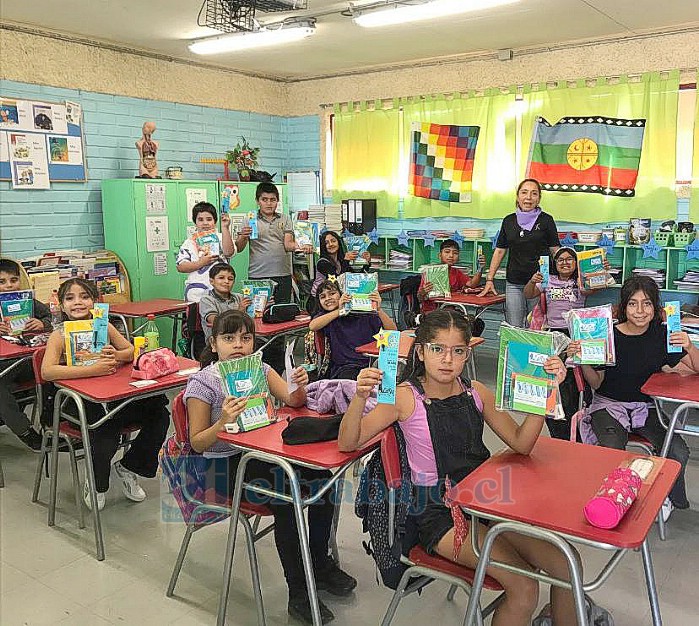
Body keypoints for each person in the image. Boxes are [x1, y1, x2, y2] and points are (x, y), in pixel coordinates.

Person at [338, 310, 577, 626]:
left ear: (468, 353)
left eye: (458, 351)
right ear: (421, 352)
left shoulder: (476, 391)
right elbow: (348, 443)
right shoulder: (404, 398)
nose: (447, 360)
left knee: (567, 563)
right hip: (435, 512)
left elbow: (521, 443)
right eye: (437, 349)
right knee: (524, 587)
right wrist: (359, 397)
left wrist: (546, 389)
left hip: (484, 502)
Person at [185, 310, 356, 624]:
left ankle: (319, 562)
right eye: (229, 338)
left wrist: (301, 385)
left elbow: (291, 401)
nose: (238, 344)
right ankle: (299, 592)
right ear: (214, 343)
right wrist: (223, 422)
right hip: (223, 465)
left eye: (245, 337)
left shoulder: (259, 369)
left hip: (263, 455)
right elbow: (197, 443)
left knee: (323, 480)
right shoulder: (203, 382)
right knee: (286, 498)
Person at [574, 276, 698, 521]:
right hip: (607, 405)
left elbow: (695, 369)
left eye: (647, 304)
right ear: (623, 307)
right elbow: (596, 383)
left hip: (645, 406)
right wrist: (584, 360)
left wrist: (690, 346)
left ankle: (667, 499)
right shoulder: (607, 335)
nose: (640, 311)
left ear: (656, 308)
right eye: (633, 304)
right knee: (612, 451)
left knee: (678, 451)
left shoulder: (661, 335)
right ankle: (612, 500)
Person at [41, 278, 169, 511]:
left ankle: (129, 467)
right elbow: (47, 371)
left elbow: (130, 351)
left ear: (95, 301)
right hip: (76, 401)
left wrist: (116, 356)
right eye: (70, 298)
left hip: (111, 394)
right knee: (105, 427)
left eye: (84, 297)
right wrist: (93, 369)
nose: (78, 303)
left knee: (159, 412)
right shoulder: (59, 335)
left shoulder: (103, 325)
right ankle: (97, 483)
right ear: (61, 305)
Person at [522, 246, 602, 439]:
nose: (565, 263)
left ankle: (582, 415)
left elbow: (599, 284)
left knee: (579, 380)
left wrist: (600, 269)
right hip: (553, 335)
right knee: (556, 379)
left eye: (569, 259)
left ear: (576, 264)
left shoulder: (580, 281)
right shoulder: (548, 280)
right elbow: (528, 294)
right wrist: (533, 281)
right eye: (560, 260)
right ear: (554, 264)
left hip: (577, 333)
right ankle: (558, 421)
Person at [234, 182, 312, 371]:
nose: (269, 203)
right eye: (265, 200)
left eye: (273, 200)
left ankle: (277, 366)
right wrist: (243, 236)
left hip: (283, 276)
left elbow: (288, 244)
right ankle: (257, 362)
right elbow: (239, 247)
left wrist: (304, 245)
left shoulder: (284, 219)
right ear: (258, 201)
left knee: (280, 319)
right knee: (257, 320)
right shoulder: (250, 219)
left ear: (277, 201)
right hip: (258, 278)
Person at [480, 179, 560, 327]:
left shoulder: (547, 220)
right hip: (514, 282)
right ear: (517, 197)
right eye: (524, 192)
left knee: (536, 326)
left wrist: (569, 276)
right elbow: (499, 251)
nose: (528, 197)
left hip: (540, 283)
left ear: (539, 198)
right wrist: (489, 279)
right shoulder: (508, 221)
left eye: (534, 193)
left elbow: (556, 251)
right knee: (514, 326)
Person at [0, 259, 51, 450]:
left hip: (28, 360)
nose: (8, 286)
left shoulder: (27, 300)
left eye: (13, 280)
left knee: (52, 370)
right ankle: (25, 431)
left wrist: (42, 323)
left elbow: (49, 317)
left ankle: (54, 425)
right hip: (4, 366)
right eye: (2, 282)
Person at [309, 278, 397, 380]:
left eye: (332, 293)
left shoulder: (366, 313)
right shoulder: (328, 317)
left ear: (343, 294)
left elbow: (393, 331)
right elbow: (313, 326)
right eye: (322, 297)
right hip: (345, 367)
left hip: (372, 363)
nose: (327, 298)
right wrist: (340, 310)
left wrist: (378, 309)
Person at [176, 201, 236, 304]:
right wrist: (201, 263)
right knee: (197, 319)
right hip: (196, 293)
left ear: (215, 221)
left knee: (219, 318)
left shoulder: (222, 237)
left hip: (220, 291)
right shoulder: (189, 242)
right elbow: (180, 267)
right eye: (200, 220)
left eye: (209, 219)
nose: (205, 223)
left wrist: (225, 228)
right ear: (195, 222)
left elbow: (229, 252)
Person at [418, 239, 485, 314]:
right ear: (440, 255)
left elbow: (472, 284)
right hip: (430, 313)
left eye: (455, 253)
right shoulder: (429, 272)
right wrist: (423, 291)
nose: (451, 255)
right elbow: (419, 298)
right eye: (447, 252)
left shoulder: (457, 273)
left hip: (449, 312)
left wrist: (480, 268)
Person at [198, 263, 251, 342]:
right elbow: (216, 322)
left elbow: (253, 315)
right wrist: (239, 311)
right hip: (218, 344)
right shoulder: (206, 300)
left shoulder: (239, 297)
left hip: (241, 340)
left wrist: (262, 304)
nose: (226, 281)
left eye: (230, 279)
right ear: (211, 281)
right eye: (221, 278)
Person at [310, 231, 371, 298]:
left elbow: (353, 277)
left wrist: (366, 262)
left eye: (333, 241)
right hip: (318, 299)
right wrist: (346, 261)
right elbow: (337, 281)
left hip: (333, 297)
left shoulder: (340, 260)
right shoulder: (322, 263)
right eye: (326, 243)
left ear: (338, 243)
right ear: (323, 246)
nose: (330, 244)